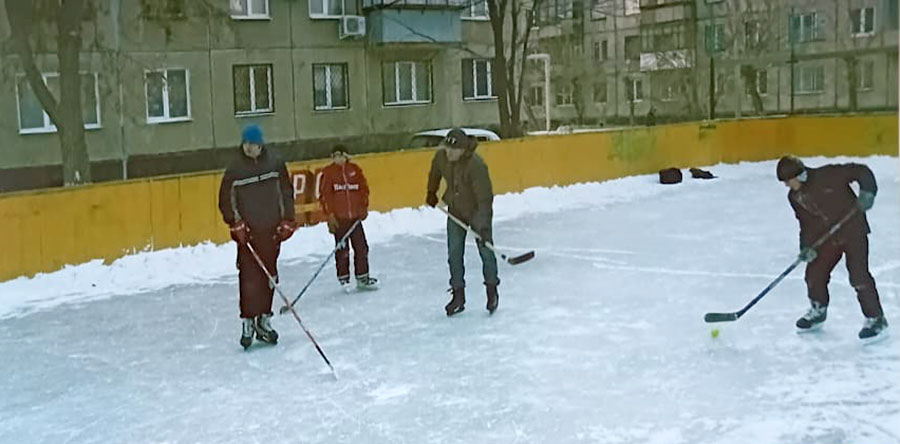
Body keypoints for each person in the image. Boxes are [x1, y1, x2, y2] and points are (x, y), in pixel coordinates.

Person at [776, 155, 887, 340]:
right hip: (828, 238)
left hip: (853, 231)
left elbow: (862, 171)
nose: (788, 185)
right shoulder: (795, 196)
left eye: (789, 180)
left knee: (858, 276)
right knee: (814, 273)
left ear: (801, 175)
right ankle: (818, 309)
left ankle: (876, 318)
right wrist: (806, 247)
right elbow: (805, 224)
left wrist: (868, 192)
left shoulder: (828, 175)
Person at [218, 124, 296, 350]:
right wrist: (235, 223)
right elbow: (225, 199)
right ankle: (248, 321)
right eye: (246, 144)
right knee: (249, 278)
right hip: (249, 234)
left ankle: (264, 318)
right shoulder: (235, 168)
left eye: (254, 144)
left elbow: (286, 191)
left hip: (271, 230)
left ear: (261, 144)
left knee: (269, 277)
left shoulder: (275, 163)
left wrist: (288, 220)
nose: (250, 148)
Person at [426, 128, 499, 316]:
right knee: (454, 253)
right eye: (447, 148)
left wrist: (482, 227)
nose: (448, 152)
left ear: (463, 150)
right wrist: (431, 192)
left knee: (486, 251)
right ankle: (458, 296)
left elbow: (484, 198)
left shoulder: (476, 165)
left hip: (477, 211)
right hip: (455, 209)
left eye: (453, 150)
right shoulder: (442, 156)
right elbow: (435, 171)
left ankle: (492, 290)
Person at [318, 145, 378, 291]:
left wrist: (363, 206)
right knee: (342, 250)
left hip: (355, 219)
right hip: (340, 220)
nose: (337, 159)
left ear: (346, 156)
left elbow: (364, 190)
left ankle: (362, 277)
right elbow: (325, 195)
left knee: (361, 247)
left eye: (340, 156)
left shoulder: (355, 170)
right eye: (334, 156)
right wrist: (330, 215)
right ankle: (344, 278)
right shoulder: (328, 172)